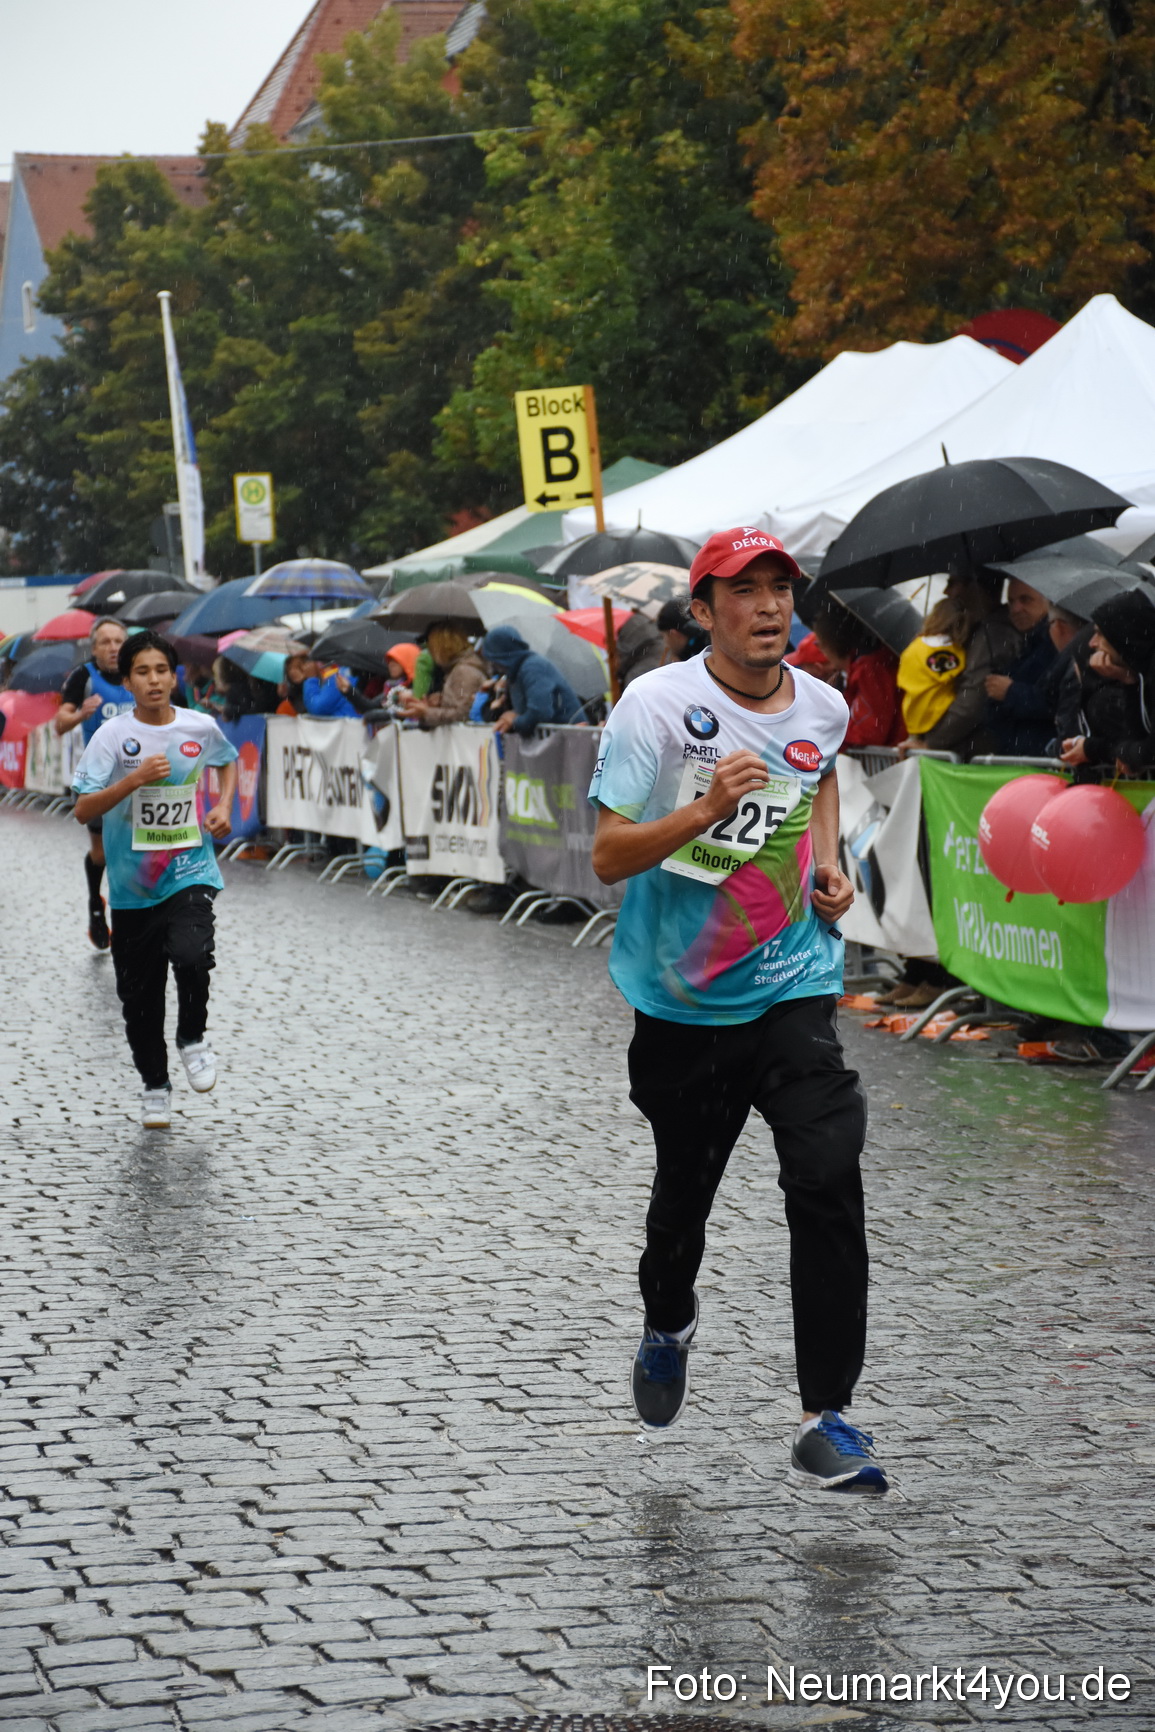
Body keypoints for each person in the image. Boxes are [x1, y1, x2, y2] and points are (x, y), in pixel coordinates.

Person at [588, 526, 886, 1491]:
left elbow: (821, 779)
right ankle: (668, 1319)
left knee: (828, 1170)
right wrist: (704, 811)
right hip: (681, 1001)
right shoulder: (656, 707)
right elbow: (608, 855)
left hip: (792, 982)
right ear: (703, 611)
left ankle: (826, 1415)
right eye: (743, 591)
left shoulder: (825, 704)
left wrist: (830, 865)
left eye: (778, 590)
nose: (766, 607)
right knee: (684, 1199)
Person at [71, 630, 238, 1130]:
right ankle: (155, 1085)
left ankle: (192, 1037)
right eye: (142, 672)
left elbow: (228, 762)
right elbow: (82, 809)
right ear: (128, 681)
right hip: (131, 886)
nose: (154, 681)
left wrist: (225, 804)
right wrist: (133, 780)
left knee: (192, 953)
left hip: (189, 868)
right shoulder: (110, 737)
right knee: (139, 997)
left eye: (161, 670)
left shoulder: (200, 726)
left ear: (174, 674)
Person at [55, 616, 133, 950]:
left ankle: (129, 917)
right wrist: (80, 714)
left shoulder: (138, 673)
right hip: (97, 778)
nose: (114, 648)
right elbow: (60, 724)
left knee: (133, 850)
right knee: (101, 853)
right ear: (94, 647)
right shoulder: (83, 676)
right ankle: (94, 904)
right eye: (106, 642)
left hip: (136, 778)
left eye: (119, 641)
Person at [915, 568, 1019, 758]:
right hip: (979, 751)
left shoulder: (992, 633)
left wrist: (931, 742)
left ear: (975, 587)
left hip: (981, 754)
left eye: (953, 583)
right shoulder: (983, 630)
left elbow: (971, 701)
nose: (947, 592)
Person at [1059, 587, 1155, 775]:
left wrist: (1104, 750)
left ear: (1122, 636)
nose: (1092, 643)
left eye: (1101, 634)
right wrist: (1128, 681)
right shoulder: (1142, 672)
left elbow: (1148, 753)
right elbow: (1136, 742)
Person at [811, 598, 904, 747]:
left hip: (888, 764)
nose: (820, 650)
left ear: (831, 642)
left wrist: (822, 732)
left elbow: (868, 733)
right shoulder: (861, 668)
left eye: (819, 643)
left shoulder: (870, 669)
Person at [983, 577, 1056, 755]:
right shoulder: (1030, 642)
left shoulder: (1055, 643)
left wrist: (1011, 692)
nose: (1015, 609)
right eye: (1011, 601)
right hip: (1022, 755)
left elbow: (1059, 702)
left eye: (1026, 599)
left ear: (1049, 600)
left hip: (1041, 759)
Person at [478, 625, 584, 734]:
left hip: (569, 740)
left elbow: (541, 713)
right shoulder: (516, 671)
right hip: (557, 740)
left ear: (503, 656)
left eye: (495, 661)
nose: (495, 666)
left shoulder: (533, 667)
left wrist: (514, 721)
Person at [896, 597, 967, 741]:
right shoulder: (961, 652)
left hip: (916, 719)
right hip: (945, 722)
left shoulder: (914, 649)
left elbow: (903, 681)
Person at [401, 626, 487, 728]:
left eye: (431, 648)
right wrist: (440, 702)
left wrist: (427, 712)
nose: (430, 653)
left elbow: (463, 714)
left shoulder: (462, 671)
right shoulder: (458, 669)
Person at [656, 596, 710, 661]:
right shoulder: (711, 641)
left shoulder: (696, 660)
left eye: (663, 636)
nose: (665, 643)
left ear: (673, 633)